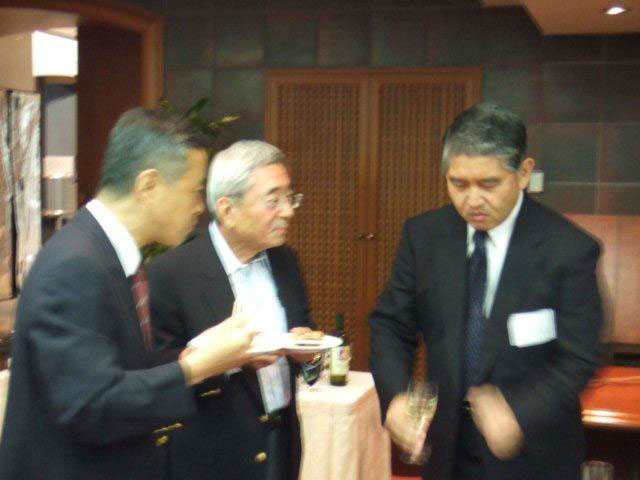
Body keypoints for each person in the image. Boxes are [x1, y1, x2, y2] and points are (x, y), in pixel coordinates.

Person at [0, 108, 257, 480]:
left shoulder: (110, 256)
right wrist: (195, 367)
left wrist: (199, 355)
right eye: (194, 191)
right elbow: (91, 406)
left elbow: (120, 372)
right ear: (148, 185)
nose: (199, 207)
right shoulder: (75, 265)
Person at [370, 103, 603, 480]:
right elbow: (391, 325)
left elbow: (579, 357)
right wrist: (396, 396)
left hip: (532, 453)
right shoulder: (425, 236)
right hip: (447, 448)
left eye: (488, 184)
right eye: (458, 183)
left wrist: (518, 413)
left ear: (523, 173)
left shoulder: (567, 249)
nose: (472, 200)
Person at [147, 140, 314, 480]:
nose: (288, 211)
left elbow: (303, 332)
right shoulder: (171, 274)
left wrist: (307, 353)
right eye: (273, 200)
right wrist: (230, 360)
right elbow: (157, 376)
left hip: (282, 441)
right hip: (211, 457)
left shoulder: (284, 261)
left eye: (290, 198)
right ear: (227, 209)